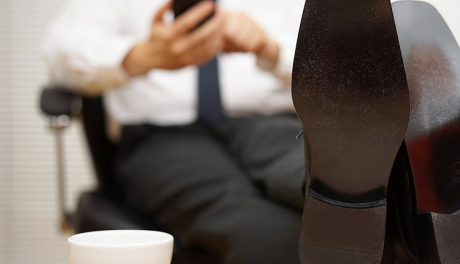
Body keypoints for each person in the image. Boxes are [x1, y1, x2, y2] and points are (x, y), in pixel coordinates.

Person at [42, 0, 306, 263]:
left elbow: (339, 67)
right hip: (163, 135)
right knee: (271, 235)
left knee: (331, 192)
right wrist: (140, 56)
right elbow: (59, 51)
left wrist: (273, 50)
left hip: (275, 125)